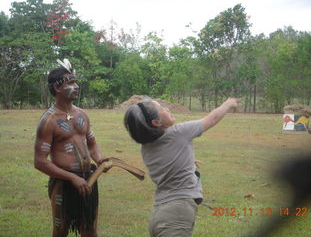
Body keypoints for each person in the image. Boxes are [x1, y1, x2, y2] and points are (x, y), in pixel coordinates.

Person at [124, 97, 240, 237]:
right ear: (156, 122)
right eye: (161, 108)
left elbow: (169, 161)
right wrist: (229, 103)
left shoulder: (145, 148)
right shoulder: (179, 132)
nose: (167, 109)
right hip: (176, 216)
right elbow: (212, 118)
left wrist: (188, 159)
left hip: (159, 214)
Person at [34, 59, 109, 237]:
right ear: (58, 88)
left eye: (76, 82)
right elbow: (40, 162)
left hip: (88, 179)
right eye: (71, 83)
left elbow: (91, 143)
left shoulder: (82, 114)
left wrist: (99, 159)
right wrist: (71, 178)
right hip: (64, 184)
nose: (76, 86)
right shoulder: (48, 121)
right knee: (61, 231)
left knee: (90, 229)